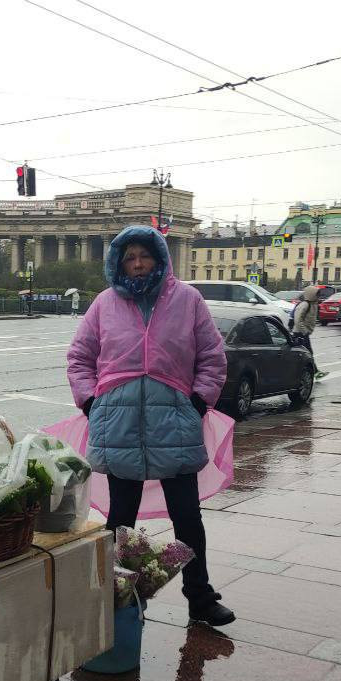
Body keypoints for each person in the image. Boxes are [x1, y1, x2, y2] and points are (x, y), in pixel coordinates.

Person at [67, 225, 235, 629]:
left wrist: (196, 403)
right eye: (130, 257)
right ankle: (116, 599)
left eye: (144, 255)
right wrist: (91, 403)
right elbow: (79, 357)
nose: (138, 264)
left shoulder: (188, 300)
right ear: (118, 262)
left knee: (187, 519)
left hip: (175, 422)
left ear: (160, 258)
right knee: (120, 522)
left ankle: (199, 598)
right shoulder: (104, 304)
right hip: (119, 422)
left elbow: (212, 356)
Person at [291, 287, 319, 353]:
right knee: (306, 353)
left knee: (306, 353)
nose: (318, 296)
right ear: (311, 294)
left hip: (305, 333)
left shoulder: (313, 304)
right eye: (317, 294)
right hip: (300, 333)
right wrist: (304, 331)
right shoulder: (305, 304)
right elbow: (297, 320)